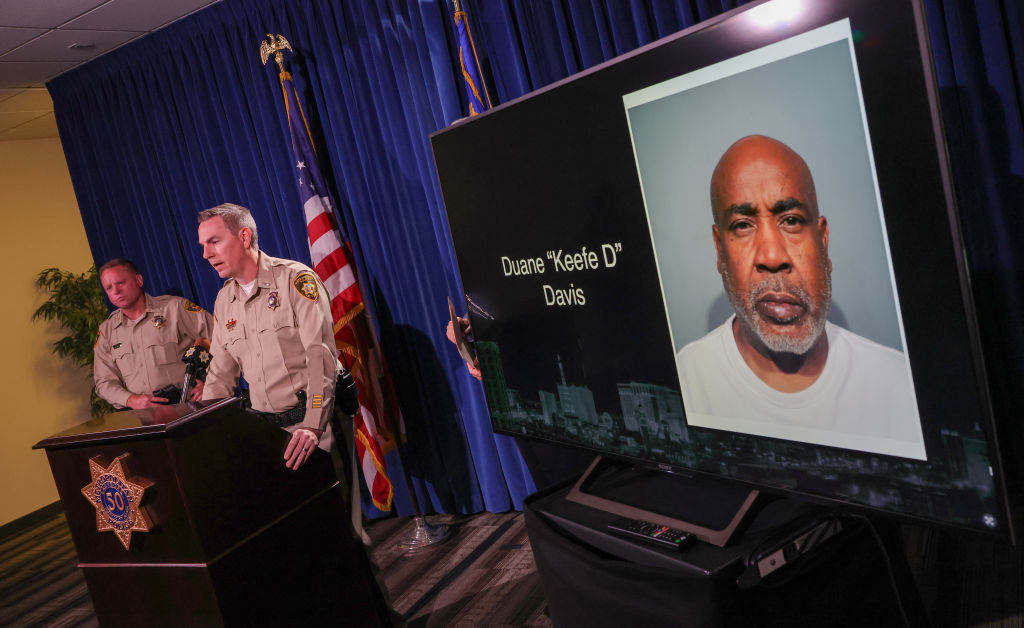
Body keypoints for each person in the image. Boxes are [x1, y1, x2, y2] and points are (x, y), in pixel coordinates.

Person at [676, 135, 925, 455]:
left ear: (823, 240)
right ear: (719, 251)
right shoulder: (685, 381)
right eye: (742, 225)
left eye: (791, 221)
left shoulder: (900, 385)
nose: (771, 256)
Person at [94, 258, 212, 409]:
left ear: (139, 280)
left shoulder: (174, 308)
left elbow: (221, 339)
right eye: (109, 288)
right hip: (144, 415)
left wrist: (211, 382)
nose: (116, 291)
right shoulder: (107, 331)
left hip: (189, 406)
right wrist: (130, 400)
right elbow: (104, 382)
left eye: (121, 283)